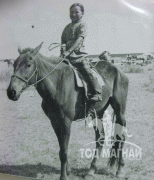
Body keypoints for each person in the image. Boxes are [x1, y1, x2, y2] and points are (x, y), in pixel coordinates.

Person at [60, 3, 102, 102]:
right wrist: (63, 48)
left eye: (76, 12)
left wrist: (69, 51)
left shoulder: (83, 25)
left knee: (87, 70)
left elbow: (80, 39)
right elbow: (63, 40)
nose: (74, 14)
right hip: (66, 56)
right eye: (72, 12)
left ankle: (97, 93)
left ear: (82, 13)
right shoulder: (67, 27)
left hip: (79, 56)